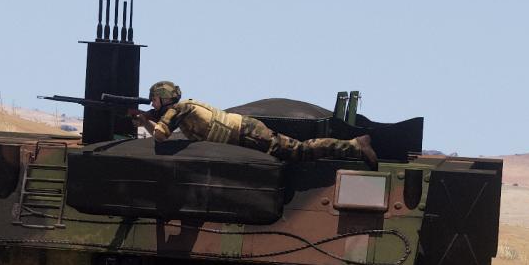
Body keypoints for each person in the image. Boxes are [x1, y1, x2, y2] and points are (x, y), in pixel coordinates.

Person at [133, 81, 378, 165]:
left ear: (164, 98)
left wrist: (146, 119)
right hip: (245, 132)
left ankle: (355, 146)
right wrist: (146, 120)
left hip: (247, 134)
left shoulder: (178, 110)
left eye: (154, 100)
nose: (153, 103)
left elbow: (161, 136)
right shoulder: (183, 108)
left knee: (298, 151)